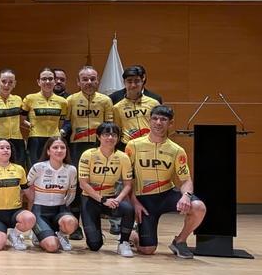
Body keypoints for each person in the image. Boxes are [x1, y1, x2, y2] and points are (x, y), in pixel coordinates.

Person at [127, 105, 206, 259]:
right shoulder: (133, 145)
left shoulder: (176, 150)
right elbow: (127, 178)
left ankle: (180, 241)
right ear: (149, 121)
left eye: (163, 119)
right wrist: (134, 202)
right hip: (143, 200)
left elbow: (186, 180)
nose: (158, 122)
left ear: (170, 124)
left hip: (165, 195)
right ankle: (133, 235)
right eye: (155, 119)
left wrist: (186, 196)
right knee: (147, 250)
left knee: (198, 207)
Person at [65, 66, 114, 240]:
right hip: (76, 147)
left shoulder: (106, 101)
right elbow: (66, 123)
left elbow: (110, 126)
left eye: (92, 79)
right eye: (84, 79)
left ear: (98, 81)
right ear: (78, 82)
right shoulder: (70, 100)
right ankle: (74, 225)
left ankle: (94, 224)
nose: (89, 82)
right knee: (77, 185)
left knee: (96, 183)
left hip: (98, 147)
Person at [77, 122, 136, 257]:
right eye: (106, 134)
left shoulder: (123, 157)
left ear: (118, 138)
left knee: (128, 209)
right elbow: (83, 184)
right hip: (90, 199)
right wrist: (102, 200)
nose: (110, 137)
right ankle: (96, 234)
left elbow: (128, 184)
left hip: (111, 197)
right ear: (98, 137)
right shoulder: (88, 155)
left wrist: (117, 199)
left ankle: (124, 242)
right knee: (94, 245)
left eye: (113, 134)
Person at [0, 138, 35, 251]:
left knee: (30, 217)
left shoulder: (19, 169)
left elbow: (29, 194)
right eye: (2, 148)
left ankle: (15, 234)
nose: (6, 150)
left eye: (8, 148)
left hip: (15, 213)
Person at [25, 136, 79, 253]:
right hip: (40, 211)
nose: (59, 150)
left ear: (66, 151)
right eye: (55, 147)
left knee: (70, 222)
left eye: (62, 147)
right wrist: (32, 201)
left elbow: (71, 194)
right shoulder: (38, 167)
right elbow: (25, 187)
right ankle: (39, 234)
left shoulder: (71, 170)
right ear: (48, 151)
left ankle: (62, 234)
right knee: (52, 247)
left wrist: (64, 205)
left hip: (60, 210)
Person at [22, 67, 69, 164]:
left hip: (55, 140)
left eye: (51, 79)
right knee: (35, 170)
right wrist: (30, 125)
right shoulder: (29, 98)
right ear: (38, 82)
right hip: (36, 140)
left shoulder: (63, 102)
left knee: (55, 169)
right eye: (44, 79)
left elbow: (61, 122)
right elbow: (20, 120)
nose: (47, 81)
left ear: (55, 81)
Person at [113, 66, 162, 145]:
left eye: (137, 81)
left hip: (151, 144)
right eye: (129, 81)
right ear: (124, 82)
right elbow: (117, 131)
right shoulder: (117, 108)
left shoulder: (154, 103)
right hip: (127, 146)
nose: (133, 85)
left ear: (142, 81)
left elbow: (161, 126)